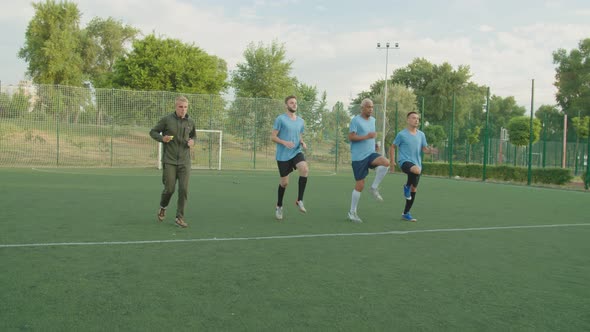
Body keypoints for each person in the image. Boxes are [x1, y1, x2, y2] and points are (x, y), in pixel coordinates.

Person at [149, 96, 196, 228]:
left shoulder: (190, 122)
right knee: (169, 189)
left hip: (185, 161)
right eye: (180, 107)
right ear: (176, 107)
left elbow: (193, 136)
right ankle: (163, 206)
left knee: (184, 189)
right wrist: (162, 138)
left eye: (185, 107)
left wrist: (193, 141)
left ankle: (179, 217)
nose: (183, 109)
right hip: (169, 160)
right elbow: (152, 132)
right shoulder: (167, 120)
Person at [347, 98, 390, 223]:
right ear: (362, 108)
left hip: (370, 153)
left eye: (371, 107)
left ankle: (374, 188)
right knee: (360, 185)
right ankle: (352, 212)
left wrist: (375, 145)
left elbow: (372, 135)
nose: (371, 109)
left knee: (385, 162)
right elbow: (351, 137)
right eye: (368, 107)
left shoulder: (373, 120)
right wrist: (367, 137)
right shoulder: (355, 120)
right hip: (358, 157)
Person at [271, 95, 309, 220]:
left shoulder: (301, 121)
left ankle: (300, 200)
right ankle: (279, 206)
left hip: (296, 152)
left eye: (295, 103)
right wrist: (284, 142)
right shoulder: (280, 119)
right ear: (286, 105)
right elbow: (273, 137)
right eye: (291, 103)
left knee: (304, 169)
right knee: (284, 183)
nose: (294, 104)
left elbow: (299, 135)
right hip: (283, 156)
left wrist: (302, 142)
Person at [389, 111, 430, 222]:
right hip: (404, 162)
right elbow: (392, 147)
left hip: (417, 164)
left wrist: (430, 151)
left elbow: (424, 149)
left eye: (418, 118)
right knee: (416, 171)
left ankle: (406, 213)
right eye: (413, 118)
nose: (416, 120)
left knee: (414, 188)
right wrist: (392, 161)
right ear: (408, 120)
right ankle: (406, 186)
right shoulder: (402, 134)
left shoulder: (421, 134)